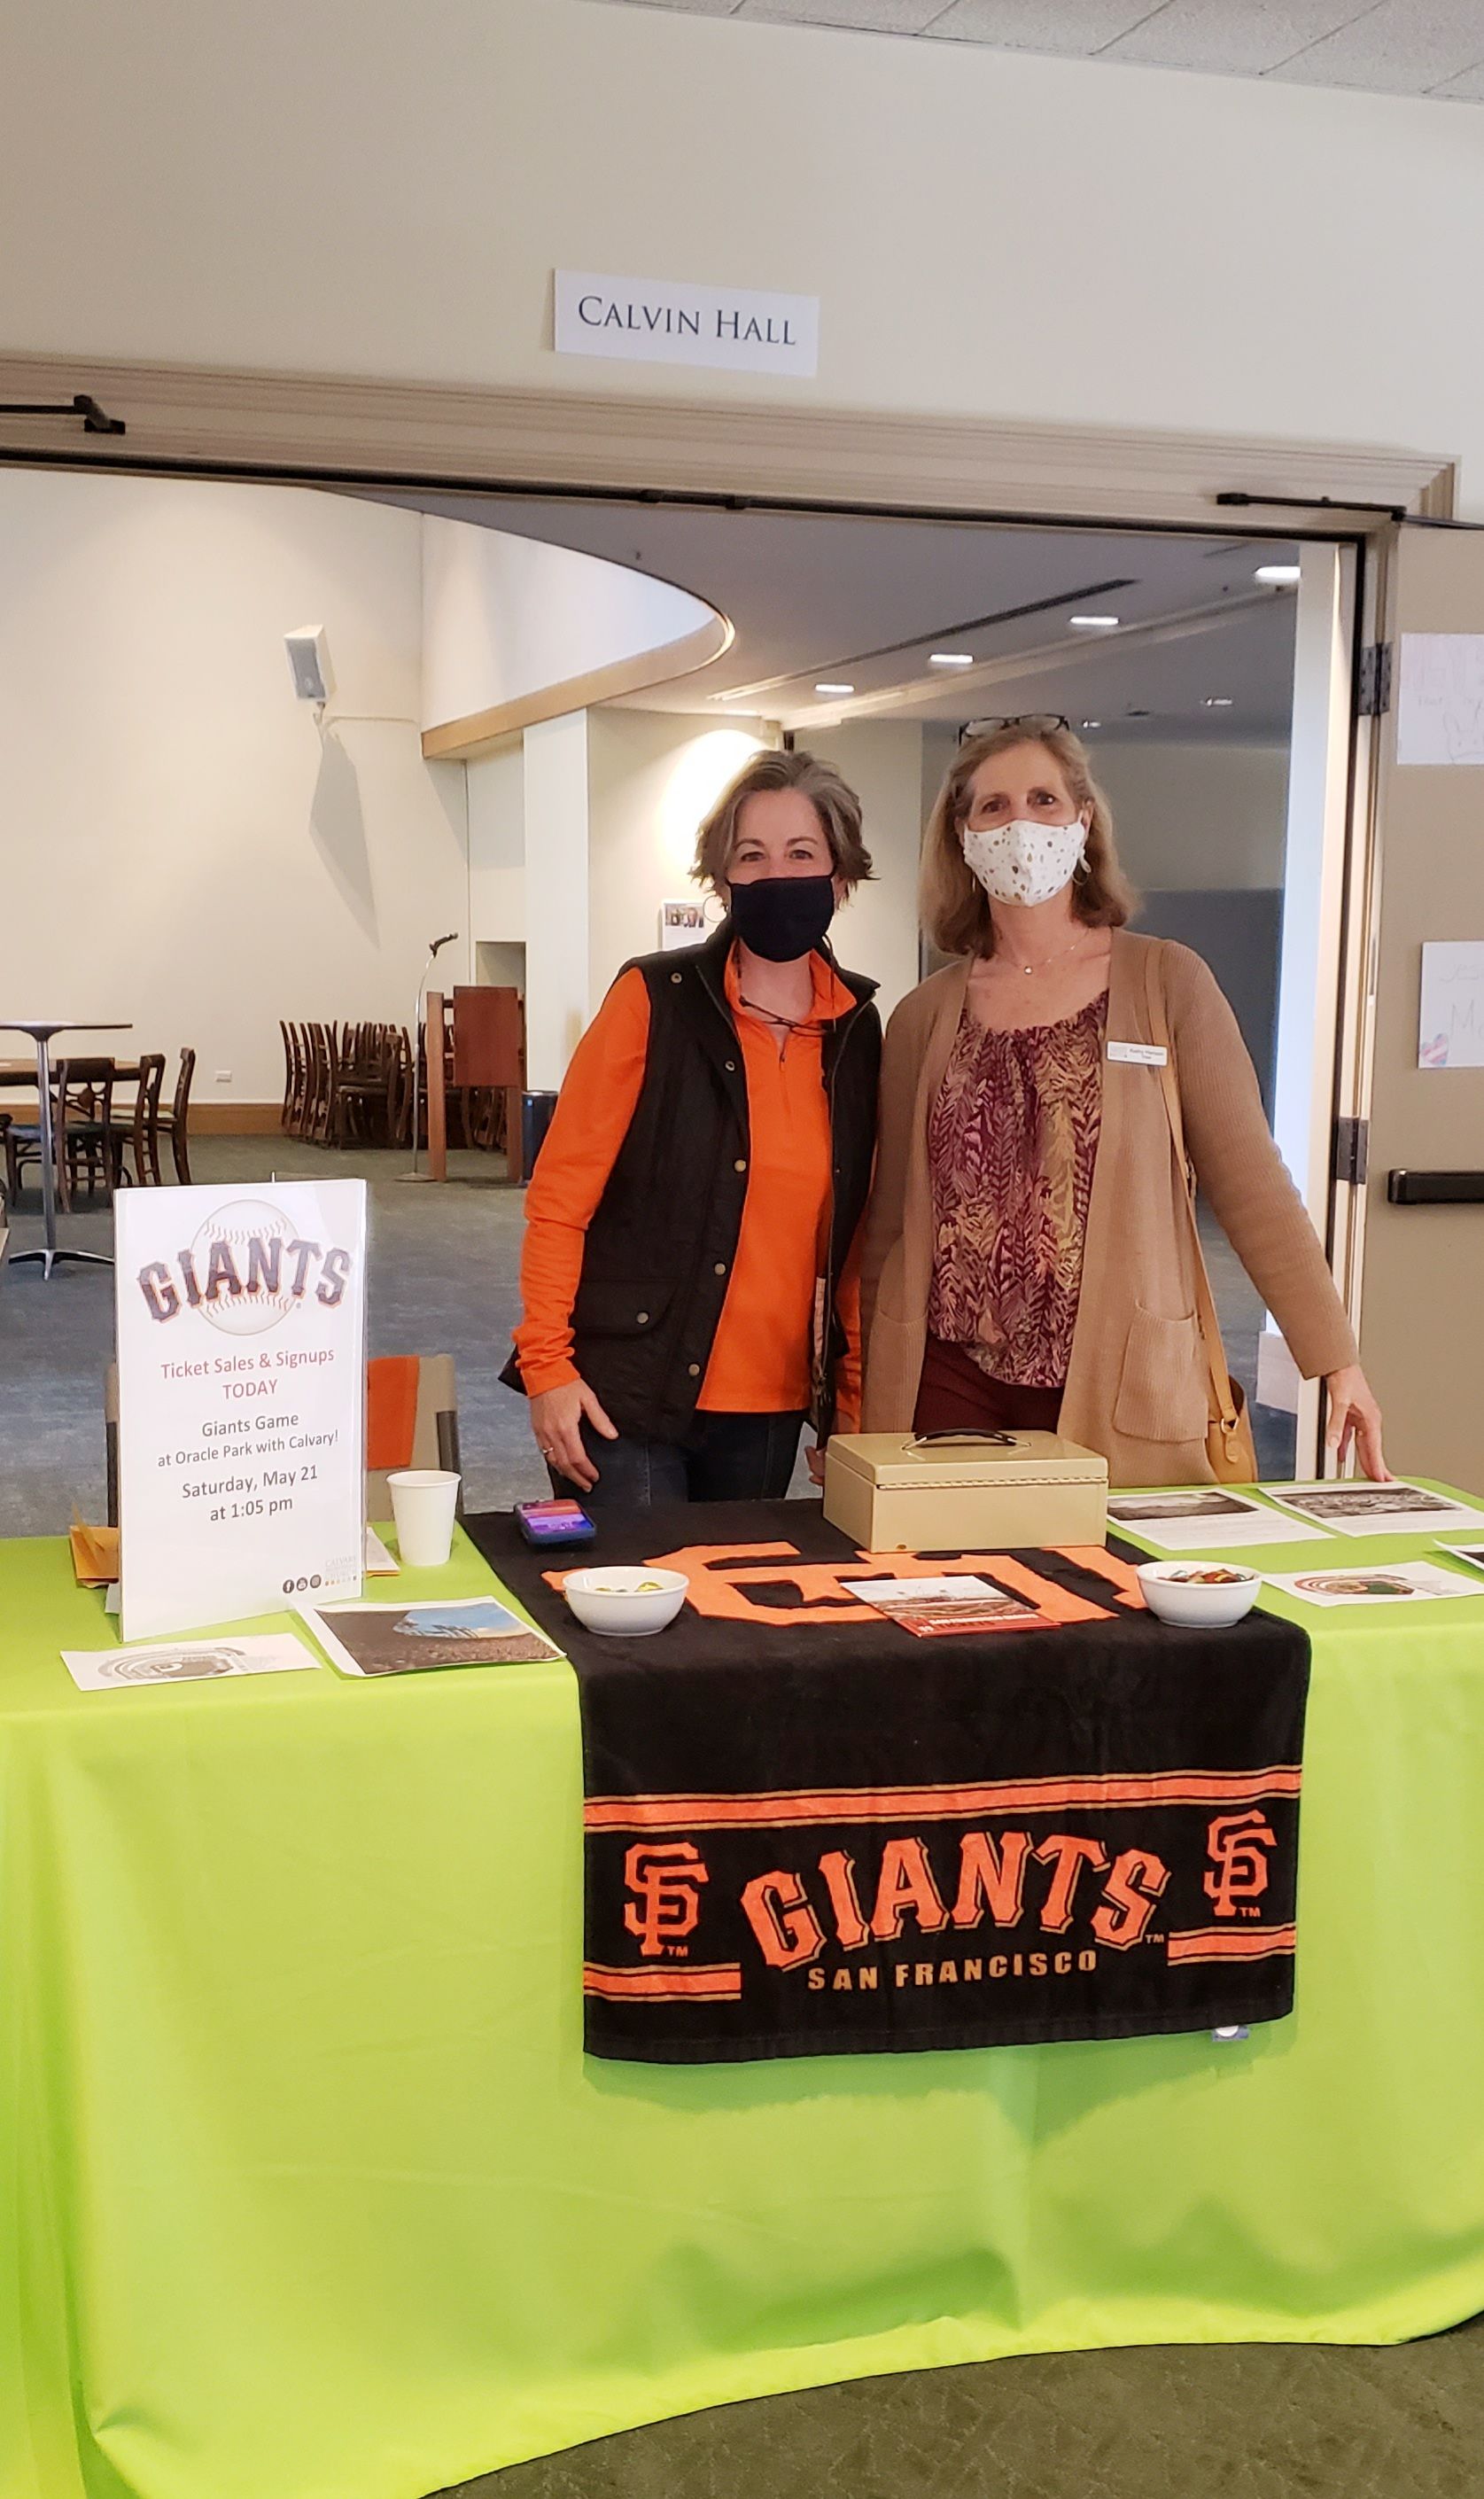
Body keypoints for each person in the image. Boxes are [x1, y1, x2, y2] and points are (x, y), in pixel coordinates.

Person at [859, 718, 1387, 1486]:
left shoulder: (1166, 982)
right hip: (950, 1381)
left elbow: (1251, 1184)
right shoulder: (923, 1016)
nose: (1020, 826)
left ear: (1082, 821)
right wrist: (863, 1397)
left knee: (1113, 1596)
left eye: (1043, 800)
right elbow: (890, 1228)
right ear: (962, 836)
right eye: (993, 807)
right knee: (964, 1596)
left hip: (1116, 1368)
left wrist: (1334, 1360)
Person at [505, 748, 881, 1507]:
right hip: (625, 1393)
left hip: (770, 1405)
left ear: (840, 878)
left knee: (735, 1618)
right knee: (631, 1611)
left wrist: (850, 1395)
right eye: (751, 855)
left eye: (801, 853)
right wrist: (546, 1366)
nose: (775, 874)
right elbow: (560, 1199)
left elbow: (854, 1239)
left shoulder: (857, 1031)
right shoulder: (652, 1000)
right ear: (721, 881)